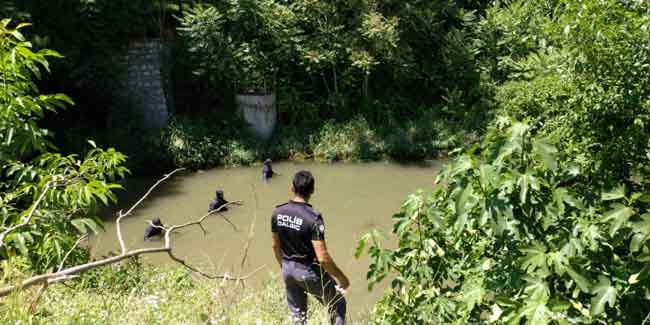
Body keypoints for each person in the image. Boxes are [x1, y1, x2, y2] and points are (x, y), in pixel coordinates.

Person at [271, 170, 349, 325]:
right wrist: (342, 278)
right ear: (312, 190)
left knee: (298, 317)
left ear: (292, 188)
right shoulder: (313, 218)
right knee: (338, 304)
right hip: (308, 271)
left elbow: (275, 246)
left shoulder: (278, 213)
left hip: (287, 269)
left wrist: (285, 267)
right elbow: (323, 258)